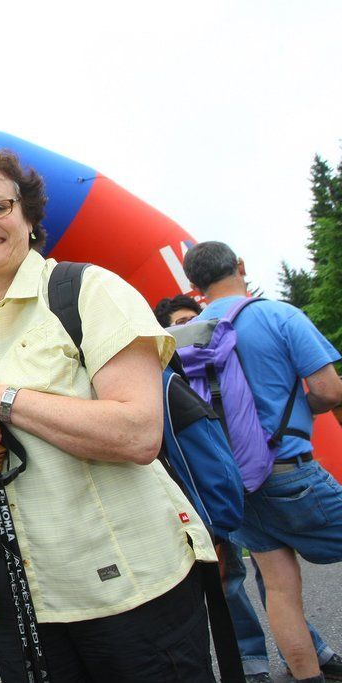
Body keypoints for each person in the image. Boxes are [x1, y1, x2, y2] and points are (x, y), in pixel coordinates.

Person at [0, 150, 219, 682]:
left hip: (128, 591)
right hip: (16, 603)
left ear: (29, 215)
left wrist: (1, 398)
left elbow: (138, 434)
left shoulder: (88, 291)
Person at [184, 241, 342, 682]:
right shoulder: (278, 315)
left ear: (195, 286)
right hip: (292, 473)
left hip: (235, 485)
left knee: (279, 589)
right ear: (240, 266)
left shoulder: (188, 335)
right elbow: (329, 390)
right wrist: (302, 410)